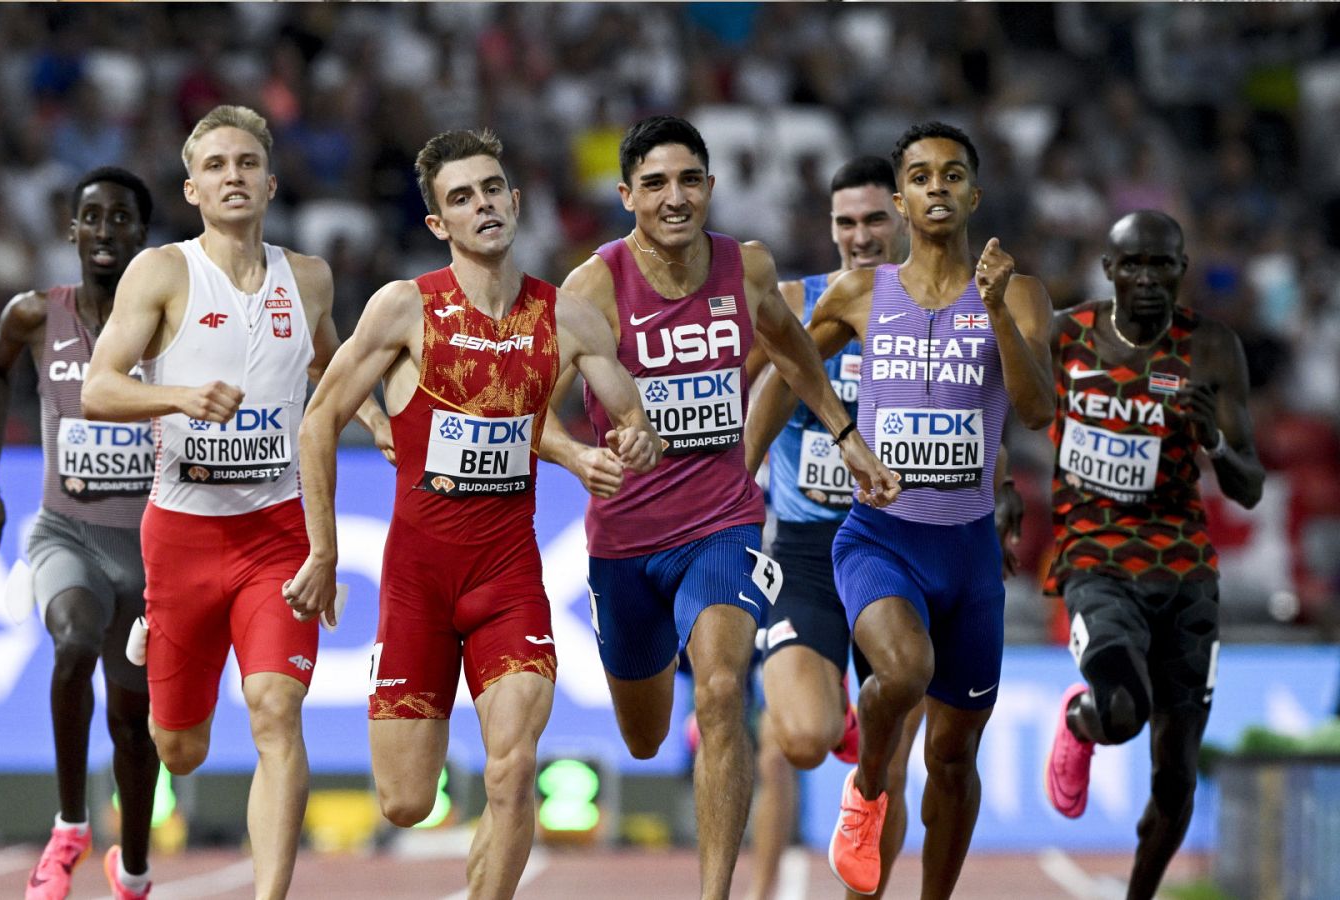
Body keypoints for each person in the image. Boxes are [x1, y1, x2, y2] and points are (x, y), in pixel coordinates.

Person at [284, 128, 659, 900]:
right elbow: (318, 421)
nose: (482, 205)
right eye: (462, 197)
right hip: (417, 585)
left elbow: (633, 419)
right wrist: (323, 551)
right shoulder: (405, 309)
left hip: (507, 580)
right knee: (405, 801)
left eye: (492, 190)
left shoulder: (569, 318)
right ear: (438, 223)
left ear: (515, 202)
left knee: (512, 769)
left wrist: (636, 440)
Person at [539, 115, 901, 900]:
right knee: (643, 736)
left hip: (724, 523)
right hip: (627, 541)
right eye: (656, 184)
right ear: (627, 195)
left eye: (688, 180)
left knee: (721, 689)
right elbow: (531, 412)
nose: (674, 198)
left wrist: (843, 434)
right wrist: (580, 456)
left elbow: (793, 348)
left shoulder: (748, 267)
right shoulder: (593, 287)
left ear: (710, 186)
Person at [82, 105, 389, 900]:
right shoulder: (162, 273)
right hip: (182, 538)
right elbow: (99, 388)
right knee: (180, 749)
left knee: (275, 709)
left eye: (247, 163)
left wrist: (380, 421)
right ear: (192, 189)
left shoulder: (309, 277)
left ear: (271, 183)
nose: (233, 177)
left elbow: (331, 366)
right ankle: (154, 632)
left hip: (277, 535)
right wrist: (180, 397)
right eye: (215, 166)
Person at [807, 122, 1056, 896]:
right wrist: (844, 434)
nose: (937, 187)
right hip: (880, 540)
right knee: (904, 671)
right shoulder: (860, 293)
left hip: (969, 554)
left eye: (952, 175)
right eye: (920, 177)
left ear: (974, 195)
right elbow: (784, 362)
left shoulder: (1020, 293)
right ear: (901, 200)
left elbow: (1038, 411)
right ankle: (867, 790)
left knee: (952, 757)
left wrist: (997, 312)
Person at [1043, 210, 1263, 899]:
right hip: (1094, 559)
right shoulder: (1066, 335)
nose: (1146, 278)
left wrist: (1213, 442)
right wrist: (1000, 492)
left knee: (1176, 778)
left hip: (1184, 571)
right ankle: (1079, 721)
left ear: (1181, 270)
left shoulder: (1211, 349)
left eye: (1160, 264)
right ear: (1108, 270)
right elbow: (1000, 404)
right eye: (1131, 264)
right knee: (1120, 712)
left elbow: (1250, 486)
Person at [0, 166, 159, 900]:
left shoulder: (170, 321)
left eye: (121, 218)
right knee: (74, 644)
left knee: (133, 725)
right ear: (72, 230)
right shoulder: (33, 314)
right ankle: (70, 829)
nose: (105, 230)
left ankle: (134, 871)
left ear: (143, 235)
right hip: (66, 534)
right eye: (93, 216)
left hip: (148, 551)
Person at [740, 155, 923, 900]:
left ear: (903, 218)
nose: (861, 236)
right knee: (799, 741)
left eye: (875, 219)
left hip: (900, 550)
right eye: (846, 222)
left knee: (889, 772)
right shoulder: (793, 302)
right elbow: (737, 391)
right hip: (807, 550)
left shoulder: (934, 312)